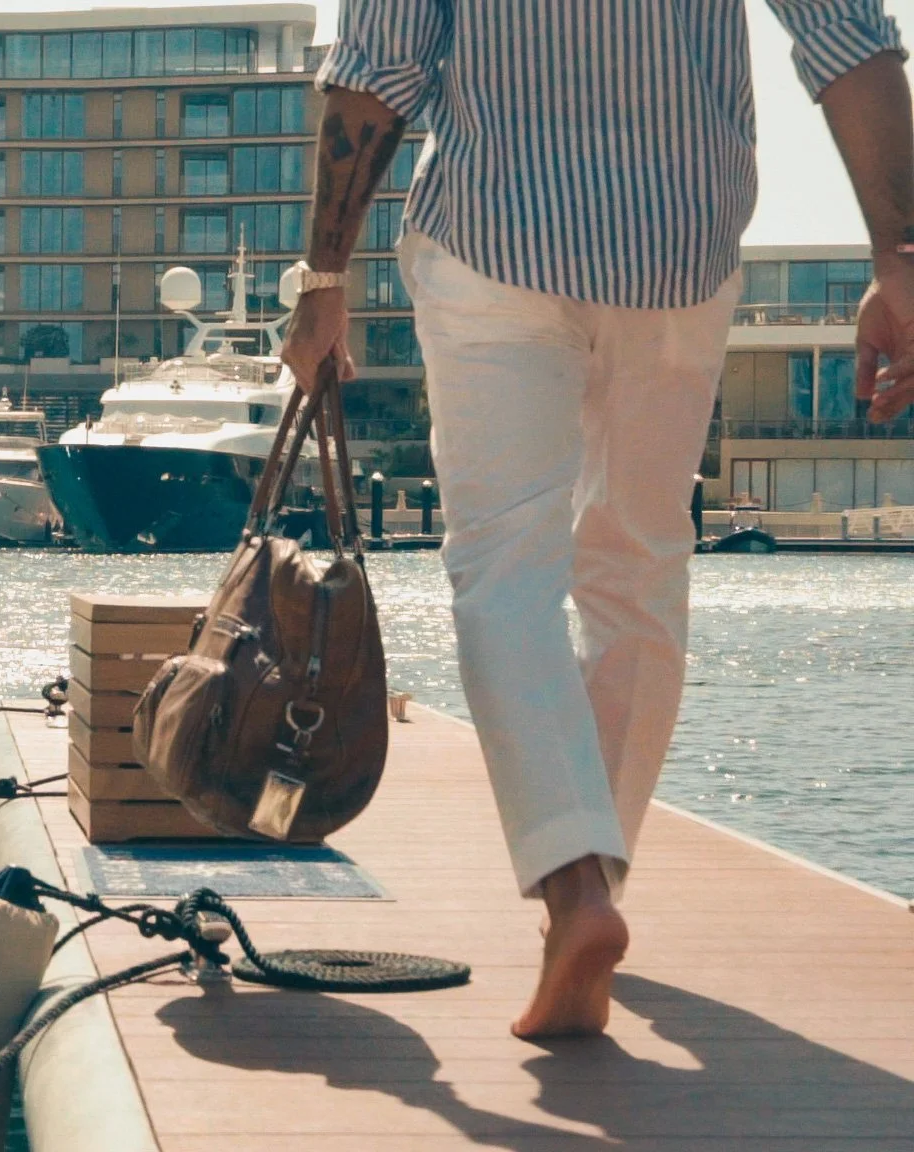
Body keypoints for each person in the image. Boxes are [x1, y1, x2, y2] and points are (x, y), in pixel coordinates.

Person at [280, 1, 914, 1039]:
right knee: (638, 566)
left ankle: (572, 888)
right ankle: (592, 881)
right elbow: (845, 34)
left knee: (504, 568)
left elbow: (376, 71)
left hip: (491, 241)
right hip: (678, 248)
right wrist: (898, 258)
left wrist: (321, 278)